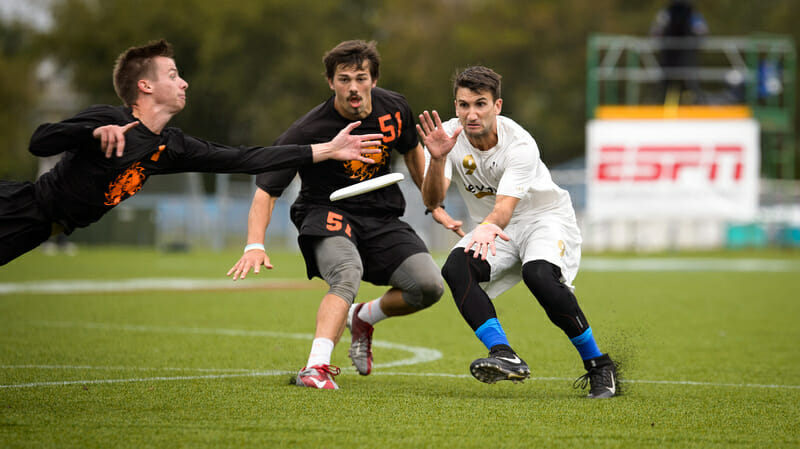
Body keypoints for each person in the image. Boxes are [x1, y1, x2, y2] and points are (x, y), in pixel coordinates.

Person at [0, 39, 383, 266]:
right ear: (145, 86)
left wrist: (325, 150)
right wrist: (90, 131)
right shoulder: (109, 118)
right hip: (19, 207)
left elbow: (246, 158)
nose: (183, 81)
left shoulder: (170, 147)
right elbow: (40, 141)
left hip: (41, 228)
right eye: (172, 75)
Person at [227, 40, 459, 390]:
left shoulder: (395, 109)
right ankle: (316, 369)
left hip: (380, 214)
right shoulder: (307, 130)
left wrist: (435, 202)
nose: (353, 87)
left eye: (361, 78)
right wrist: (254, 244)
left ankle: (363, 317)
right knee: (347, 272)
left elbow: (413, 154)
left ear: (374, 80)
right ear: (331, 82)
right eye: (344, 78)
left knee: (428, 286)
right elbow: (266, 191)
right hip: (326, 211)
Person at [418, 66, 617, 398]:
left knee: (539, 275)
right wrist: (437, 160)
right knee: (455, 268)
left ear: (497, 106)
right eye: (464, 104)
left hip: (543, 218)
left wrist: (487, 227)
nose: (471, 113)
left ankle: (599, 364)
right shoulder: (445, 137)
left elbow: (505, 209)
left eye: (480, 104)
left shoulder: (520, 144)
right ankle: (504, 354)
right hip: (495, 226)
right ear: (455, 106)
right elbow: (432, 199)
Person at [649, 0, 709, 104]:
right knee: (689, 87)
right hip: (684, 59)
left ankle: (666, 105)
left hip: (673, 60)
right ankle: (694, 105)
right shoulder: (692, 14)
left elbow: (655, 33)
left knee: (668, 89)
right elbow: (702, 33)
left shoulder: (666, 14)